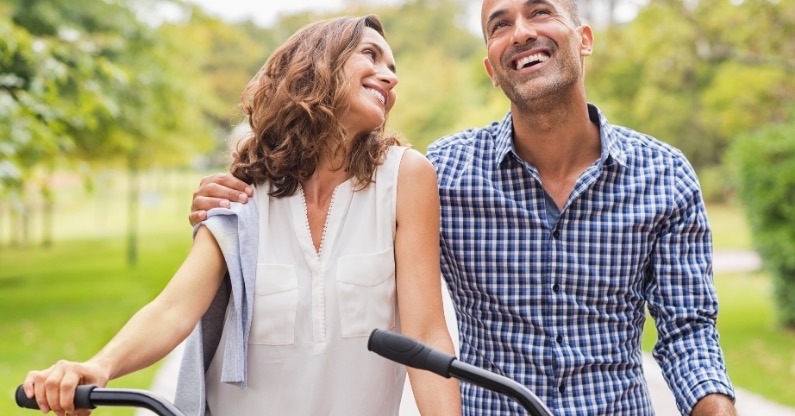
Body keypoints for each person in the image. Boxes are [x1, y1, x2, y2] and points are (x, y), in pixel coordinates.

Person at [190, 1, 739, 415]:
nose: (520, 31)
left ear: (583, 38)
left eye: (540, 12)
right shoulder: (442, 174)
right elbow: (336, 190)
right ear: (491, 68)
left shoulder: (664, 175)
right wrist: (236, 198)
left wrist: (715, 407)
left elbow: (688, 328)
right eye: (499, 24)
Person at [22, 15, 461, 416]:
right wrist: (99, 365)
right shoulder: (241, 193)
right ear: (317, 65)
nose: (390, 76)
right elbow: (174, 308)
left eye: (394, 69)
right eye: (371, 54)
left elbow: (425, 336)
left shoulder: (404, 177)